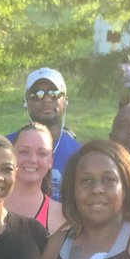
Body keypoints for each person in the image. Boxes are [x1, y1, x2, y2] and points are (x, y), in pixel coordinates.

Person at [9, 67, 80, 201]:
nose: (46, 99)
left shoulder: (79, 153)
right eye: (37, 94)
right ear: (26, 103)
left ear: (65, 101)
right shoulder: (7, 147)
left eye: (54, 93)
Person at [9, 124, 66, 233]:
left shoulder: (59, 216)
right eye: (24, 152)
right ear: (11, 155)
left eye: (42, 153)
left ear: (51, 161)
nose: (32, 159)